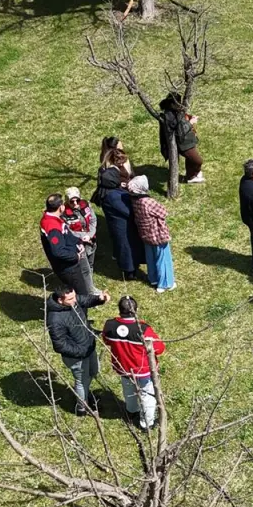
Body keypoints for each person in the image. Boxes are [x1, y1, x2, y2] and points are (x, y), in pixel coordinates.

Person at [101, 295, 165, 429]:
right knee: (147, 395)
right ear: (136, 310)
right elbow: (159, 349)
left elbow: (106, 340)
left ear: (119, 310)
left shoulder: (110, 325)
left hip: (123, 367)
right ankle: (147, 423)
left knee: (128, 390)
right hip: (143, 370)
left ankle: (131, 411)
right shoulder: (143, 329)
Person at [45, 287, 109, 416]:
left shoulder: (72, 300)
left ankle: (85, 393)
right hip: (77, 356)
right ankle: (82, 408)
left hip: (88, 347)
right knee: (81, 381)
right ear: (60, 300)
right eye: (70, 299)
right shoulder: (55, 319)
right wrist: (80, 351)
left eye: (74, 296)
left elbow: (84, 300)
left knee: (93, 371)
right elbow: (60, 345)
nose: (75, 300)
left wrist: (99, 299)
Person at [40, 194, 95, 298]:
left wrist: (78, 241)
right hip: (69, 268)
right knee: (80, 295)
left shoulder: (54, 218)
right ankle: (80, 313)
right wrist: (75, 256)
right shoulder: (52, 226)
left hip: (72, 261)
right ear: (61, 207)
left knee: (81, 290)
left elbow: (66, 235)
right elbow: (58, 251)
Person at [95, 167, 144, 281]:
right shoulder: (112, 196)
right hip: (122, 228)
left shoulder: (109, 192)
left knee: (126, 248)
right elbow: (127, 211)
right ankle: (129, 272)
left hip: (121, 226)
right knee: (126, 249)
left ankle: (131, 268)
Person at [129, 177, 175, 293]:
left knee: (150, 258)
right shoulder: (148, 202)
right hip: (157, 235)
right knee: (163, 258)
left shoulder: (134, 201)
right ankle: (164, 284)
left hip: (145, 235)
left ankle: (153, 278)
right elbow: (163, 212)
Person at [158, 93, 203, 184]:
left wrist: (188, 118)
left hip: (187, 141)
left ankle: (191, 176)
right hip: (183, 143)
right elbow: (179, 131)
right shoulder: (169, 115)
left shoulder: (175, 111)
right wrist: (190, 122)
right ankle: (195, 173)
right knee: (198, 161)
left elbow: (181, 121)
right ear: (172, 104)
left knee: (191, 159)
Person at [63, 188, 101, 295]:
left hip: (91, 241)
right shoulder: (64, 214)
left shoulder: (86, 205)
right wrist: (83, 236)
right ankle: (89, 290)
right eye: (71, 201)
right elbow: (68, 231)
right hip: (78, 244)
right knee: (84, 268)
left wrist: (89, 235)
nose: (75, 203)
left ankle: (89, 283)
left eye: (77, 200)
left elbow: (93, 220)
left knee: (90, 264)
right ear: (67, 201)